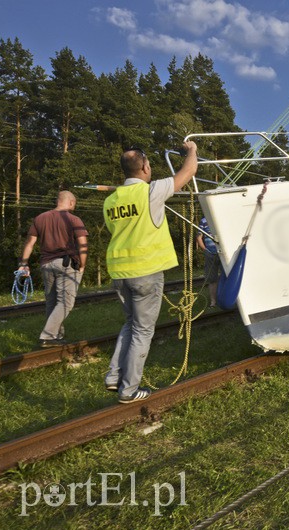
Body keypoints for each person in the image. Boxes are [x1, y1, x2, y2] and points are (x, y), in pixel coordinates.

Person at [103, 142, 198, 404]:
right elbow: (188, 172)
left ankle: (114, 376)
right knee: (143, 331)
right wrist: (191, 149)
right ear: (145, 166)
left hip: (120, 272)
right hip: (146, 272)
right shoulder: (151, 192)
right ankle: (129, 390)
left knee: (130, 324)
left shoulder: (110, 201)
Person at [18, 191, 88, 347]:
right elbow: (83, 245)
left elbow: (29, 244)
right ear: (70, 202)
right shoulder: (74, 219)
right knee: (66, 303)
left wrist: (23, 263)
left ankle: (55, 335)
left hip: (46, 265)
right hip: (66, 264)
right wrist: (82, 266)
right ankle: (48, 336)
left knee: (52, 301)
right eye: (74, 204)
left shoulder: (40, 218)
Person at [195, 216, 221, 308]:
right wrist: (205, 250)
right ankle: (213, 302)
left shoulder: (222, 216)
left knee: (228, 276)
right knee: (212, 279)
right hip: (211, 253)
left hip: (224, 253)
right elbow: (199, 237)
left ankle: (227, 299)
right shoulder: (203, 220)